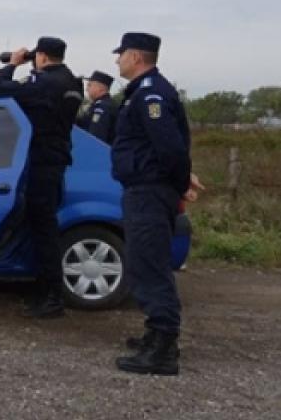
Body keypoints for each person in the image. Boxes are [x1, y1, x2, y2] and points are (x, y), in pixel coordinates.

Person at [109, 32, 202, 375]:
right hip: (145, 189)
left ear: (135, 57)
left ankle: (163, 349)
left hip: (149, 191)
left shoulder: (151, 94)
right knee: (142, 263)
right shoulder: (144, 92)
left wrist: (179, 183)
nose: (117, 60)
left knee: (150, 265)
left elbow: (171, 148)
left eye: (121, 54)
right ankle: (155, 334)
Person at [0, 36, 83, 318]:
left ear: (41, 56)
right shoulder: (72, 82)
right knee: (43, 228)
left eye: (36, 56)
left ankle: (52, 297)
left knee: (44, 231)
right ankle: (44, 290)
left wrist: (12, 64)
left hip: (42, 162)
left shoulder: (44, 83)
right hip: (55, 159)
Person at [76, 70, 118, 144]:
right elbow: (83, 124)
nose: (86, 89)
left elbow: (95, 137)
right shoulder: (97, 105)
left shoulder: (103, 107)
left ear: (100, 88)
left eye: (90, 85)